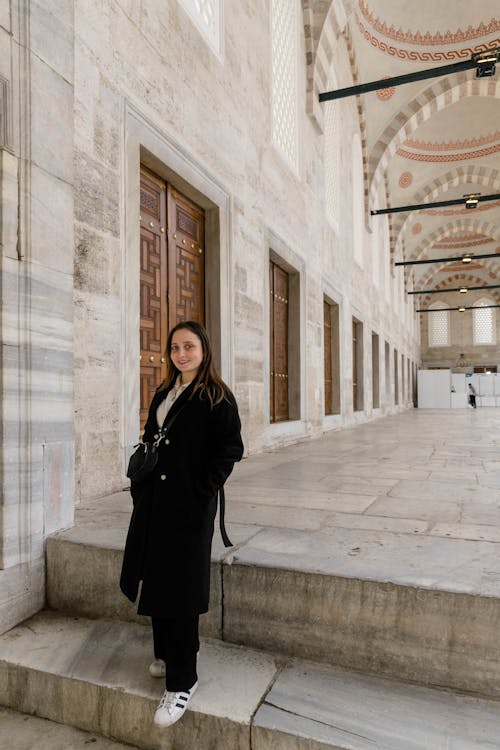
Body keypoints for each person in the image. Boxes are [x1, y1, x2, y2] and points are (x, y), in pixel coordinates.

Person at [120, 321, 244, 728]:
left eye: (189, 346)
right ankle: (165, 654)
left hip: (189, 507)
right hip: (155, 502)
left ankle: (182, 681)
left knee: (182, 587)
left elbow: (231, 448)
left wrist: (203, 490)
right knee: (156, 577)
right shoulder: (165, 390)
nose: (181, 354)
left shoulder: (217, 397)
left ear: (204, 349)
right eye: (175, 347)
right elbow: (152, 435)